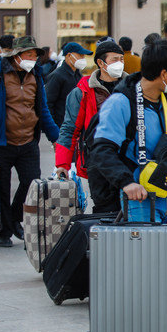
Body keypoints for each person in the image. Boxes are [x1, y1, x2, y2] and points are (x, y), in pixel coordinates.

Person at [88, 39, 167, 224]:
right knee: (146, 252)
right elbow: (101, 150)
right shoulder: (121, 102)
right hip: (140, 198)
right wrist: (126, 182)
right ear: (164, 74)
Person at [0, 36, 59, 247]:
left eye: (35, 55)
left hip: (28, 141)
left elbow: (43, 110)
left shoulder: (36, 77)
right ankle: (2, 230)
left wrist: (56, 137)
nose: (33, 59)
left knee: (32, 184)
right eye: (28, 54)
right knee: (0, 187)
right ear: (16, 55)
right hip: (1, 142)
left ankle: (13, 218)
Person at [54, 41, 126, 212]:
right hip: (97, 160)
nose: (120, 63)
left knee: (131, 210)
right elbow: (70, 128)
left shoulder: (131, 88)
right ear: (101, 63)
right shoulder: (83, 92)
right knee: (105, 209)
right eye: (115, 59)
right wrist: (62, 163)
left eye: (121, 59)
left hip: (128, 159)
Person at [46, 42, 94, 127]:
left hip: (77, 125)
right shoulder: (57, 75)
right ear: (69, 56)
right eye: (80, 55)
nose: (83, 59)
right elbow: (48, 103)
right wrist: (54, 128)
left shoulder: (78, 75)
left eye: (83, 56)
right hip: (62, 126)